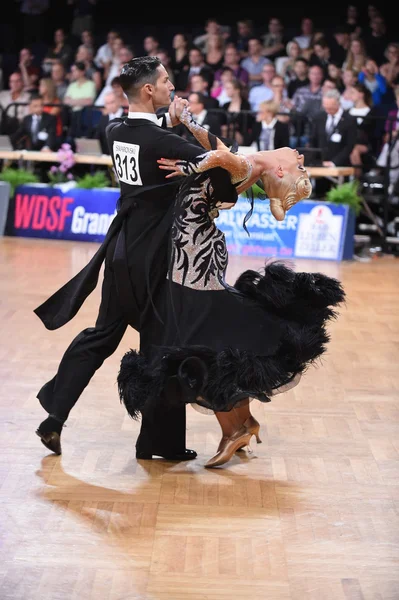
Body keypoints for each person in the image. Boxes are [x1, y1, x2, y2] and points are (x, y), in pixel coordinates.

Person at [117, 105, 346, 468]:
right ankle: (242, 422)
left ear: (281, 170)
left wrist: (188, 165)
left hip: (192, 254)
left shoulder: (245, 166)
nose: (300, 157)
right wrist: (190, 125)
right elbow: (216, 146)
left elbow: (218, 155)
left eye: (298, 165)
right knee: (215, 335)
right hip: (195, 251)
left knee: (202, 341)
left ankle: (235, 429)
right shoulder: (246, 163)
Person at [33, 56, 229, 461]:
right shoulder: (161, 142)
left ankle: (54, 415)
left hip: (121, 251)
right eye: (165, 81)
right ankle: (160, 444)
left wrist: (172, 126)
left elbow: (152, 149)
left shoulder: (114, 129)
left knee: (101, 336)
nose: (172, 87)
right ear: (148, 91)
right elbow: (224, 159)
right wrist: (187, 128)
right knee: (163, 344)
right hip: (154, 256)